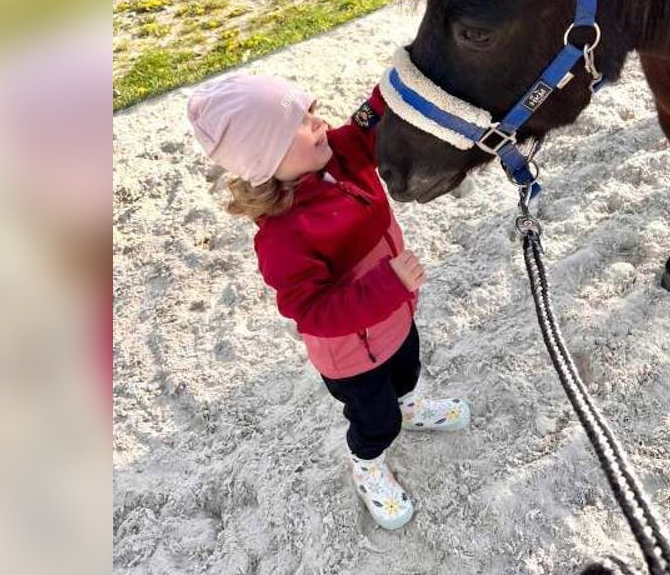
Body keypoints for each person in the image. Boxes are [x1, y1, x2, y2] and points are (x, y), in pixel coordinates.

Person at [186, 73, 471, 531]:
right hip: (353, 356)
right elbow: (313, 312)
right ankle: (368, 465)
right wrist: (389, 285)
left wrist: (404, 75)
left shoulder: (335, 154)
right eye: (301, 122)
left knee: (408, 368)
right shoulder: (283, 238)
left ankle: (411, 407)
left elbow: (366, 122)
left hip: (395, 315)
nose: (319, 123)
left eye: (312, 110)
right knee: (375, 420)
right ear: (266, 158)